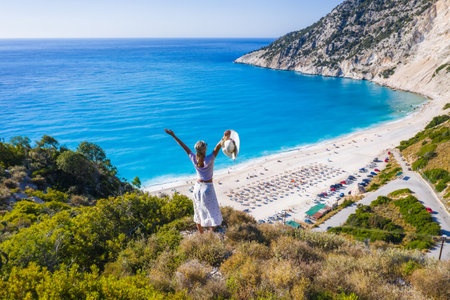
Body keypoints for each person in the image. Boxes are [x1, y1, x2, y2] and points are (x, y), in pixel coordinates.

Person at [165, 128, 230, 233]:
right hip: (207, 188)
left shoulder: (193, 157)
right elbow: (218, 146)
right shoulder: (210, 158)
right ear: (205, 149)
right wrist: (225, 136)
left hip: (197, 187)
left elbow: (183, 146)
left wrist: (173, 135)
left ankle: (201, 234)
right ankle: (211, 232)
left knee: (198, 210)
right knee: (211, 211)